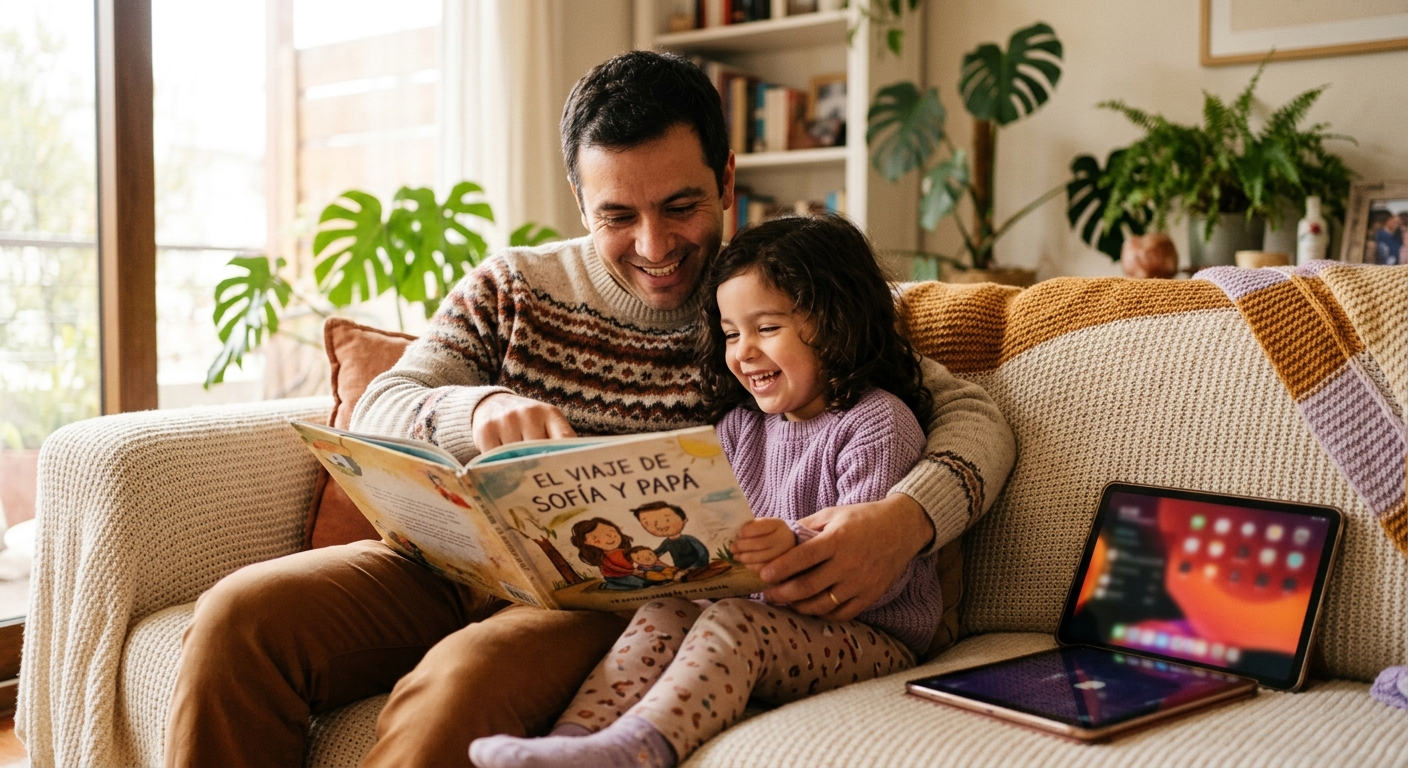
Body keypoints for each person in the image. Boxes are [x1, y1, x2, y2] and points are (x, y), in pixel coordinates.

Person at [164, 50, 1014, 768]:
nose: (654, 246)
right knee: (239, 618)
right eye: (618, 215)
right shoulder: (513, 288)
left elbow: (971, 413)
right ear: (581, 204)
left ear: (725, 177)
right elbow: (383, 402)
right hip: (447, 565)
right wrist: (478, 408)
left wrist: (907, 520)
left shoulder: (775, 303)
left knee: (460, 687)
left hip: (595, 605)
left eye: (681, 206)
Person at [469, 213, 940, 767]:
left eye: (766, 329)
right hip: (759, 613)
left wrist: (785, 546)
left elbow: (872, 577)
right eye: (732, 334)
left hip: (873, 639)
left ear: (837, 322)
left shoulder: (878, 424)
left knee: (733, 623)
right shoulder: (741, 428)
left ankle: (637, 749)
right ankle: (572, 744)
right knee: (665, 610)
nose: (743, 352)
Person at [633, 500, 709, 570]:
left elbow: (702, 553)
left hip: (698, 566)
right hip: (681, 570)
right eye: (648, 523)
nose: (659, 525)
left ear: (684, 520)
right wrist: (641, 557)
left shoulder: (688, 539)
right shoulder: (667, 543)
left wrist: (697, 565)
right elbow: (656, 553)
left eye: (667, 520)